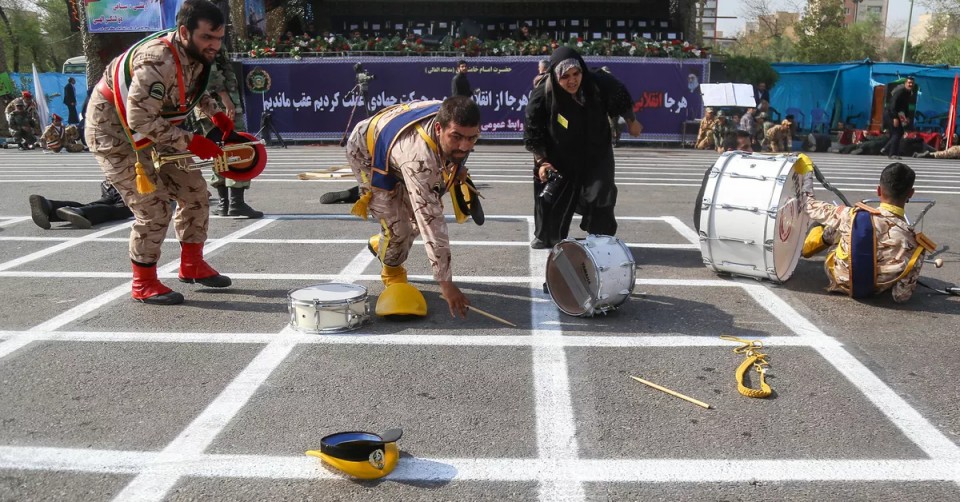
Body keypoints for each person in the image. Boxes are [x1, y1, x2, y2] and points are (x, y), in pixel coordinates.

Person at [85, 0, 233, 305]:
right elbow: (138, 119)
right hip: (115, 131)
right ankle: (144, 283)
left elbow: (190, 85)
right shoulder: (157, 60)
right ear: (184, 31)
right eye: (207, 37)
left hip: (159, 123)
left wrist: (214, 113)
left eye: (219, 38)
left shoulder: (194, 51)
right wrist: (192, 142)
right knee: (153, 207)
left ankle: (192, 264)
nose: (214, 46)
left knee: (195, 192)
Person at [345, 96, 479, 319]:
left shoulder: (454, 120)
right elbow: (432, 222)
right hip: (365, 152)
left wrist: (457, 165)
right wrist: (446, 284)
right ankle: (392, 272)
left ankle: (383, 243)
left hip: (398, 146)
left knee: (413, 222)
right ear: (439, 127)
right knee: (400, 228)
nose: (465, 145)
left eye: (472, 138)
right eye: (456, 137)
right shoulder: (418, 160)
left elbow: (456, 146)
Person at [524, 46, 641, 249]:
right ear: (555, 75)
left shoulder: (597, 82)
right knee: (550, 197)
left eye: (576, 74)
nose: (572, 81)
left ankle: (601, 238)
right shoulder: (543, 94)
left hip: (596, 151)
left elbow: (620, 95)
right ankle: (547, 235)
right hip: (559, 154)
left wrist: (631, 121)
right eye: (565, 76)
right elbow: (533, 131)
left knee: (601, 193)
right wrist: (542, 161)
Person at [799, 161, 933, 303]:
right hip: (874, 290)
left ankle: (806, 250)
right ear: (910, 194)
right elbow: (900, 296)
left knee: (835, 228)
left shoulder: (852, 216)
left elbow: (808, 205)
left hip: (840, 278)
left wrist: (807, 174)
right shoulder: (915, 242)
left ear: (879, 190)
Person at [191, 47, 263, 218]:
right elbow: (211, 69)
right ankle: (236, 203)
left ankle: (225, 204)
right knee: (237, 149)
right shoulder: (208, 36)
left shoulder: (198, 38)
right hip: (218, 105)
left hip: (206, 106)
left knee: (218, 150)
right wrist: (225, 98)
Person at [28, 180, 133, 229]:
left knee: (105, 202)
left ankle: (50, 207)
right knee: (122, 209)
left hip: (112, 182)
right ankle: (80, 212)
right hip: (131, 183)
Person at [881, 77, 915, 159]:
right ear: (905, 83)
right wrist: (894, 118)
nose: (910, 84)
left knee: (899, 132)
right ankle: (892, 153)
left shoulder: (908, 93)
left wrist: (907, 117)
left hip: (898, 114)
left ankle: (886, 149)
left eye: (912, 83)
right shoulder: (900, 92)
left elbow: (905, 106)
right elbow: (893, 105)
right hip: (890, 113)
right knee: (897, 132)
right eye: (909, 83)